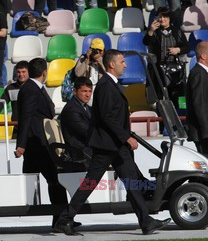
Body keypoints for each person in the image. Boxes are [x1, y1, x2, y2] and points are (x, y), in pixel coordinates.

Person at [54, 50, 171, 236]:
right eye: (122, 62)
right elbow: (108, 118)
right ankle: (65, 219)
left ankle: (146, 222)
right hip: (108, 145)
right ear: (111, 65)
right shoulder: (106, 86)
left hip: (114, 145)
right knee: (91, 183)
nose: (125, 65)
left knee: (131, 181)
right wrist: (126, 137)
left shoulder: (110, 84)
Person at [15, 58, 68, 227]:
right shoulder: (31, 89)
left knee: (55, 180)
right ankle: (61, 219)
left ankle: (61, 218)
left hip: (39, 141)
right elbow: (26, 118)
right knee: (55, 180)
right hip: (36, 143)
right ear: (44, 72)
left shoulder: (33, 88)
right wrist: (21, 144)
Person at [143, 7, 189, 106]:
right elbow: (146, 42)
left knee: (175, 96)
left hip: (174, 69)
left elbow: (187, 47)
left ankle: (177, 117)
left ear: (169, 18)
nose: (162, 19)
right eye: (160, 16)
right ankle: (160, 119)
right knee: (158, 97)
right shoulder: (154, 31)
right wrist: (150, 30)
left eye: (165, 17)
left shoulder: (177, 31)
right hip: (157, 69)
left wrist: (178, 50)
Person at [0, 60, 30, 139]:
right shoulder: (10, 88)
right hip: (17, 127)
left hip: (31, 127)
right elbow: (1, 104)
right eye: (18, 72)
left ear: (29, 72)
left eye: (23, 71)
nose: (21, 74)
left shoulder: (35, 87)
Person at [59, 76, 94, 163]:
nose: (88, 94)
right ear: (75, 91)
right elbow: (87, 131)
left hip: (87, 148)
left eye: (90, 91)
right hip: (78, 152)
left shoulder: (87, 108)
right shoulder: (71, 109)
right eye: (84, 91)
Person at [186, 41, 208, 155]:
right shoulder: (199, 74)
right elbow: (199, 104)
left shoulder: (202, 73)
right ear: (203, 56)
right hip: (202, 133)